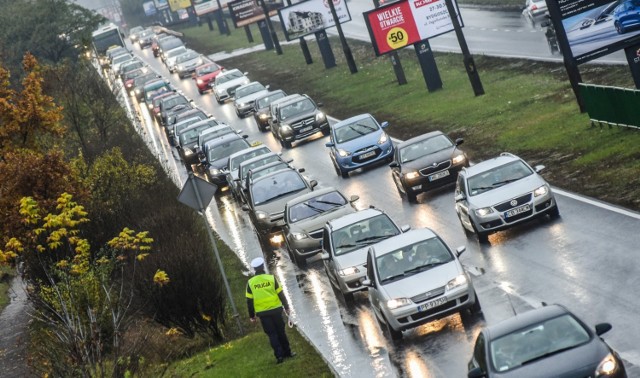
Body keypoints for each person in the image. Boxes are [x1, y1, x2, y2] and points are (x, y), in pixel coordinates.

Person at [246, 257, 295, 364]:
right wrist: (286, 307)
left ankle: (279, 356)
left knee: (272, 334)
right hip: (276, 310)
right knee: (281, 331)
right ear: (263, 267)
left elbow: (249, 301)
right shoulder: (271, 278)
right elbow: (280, 294)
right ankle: (288, 352)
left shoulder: (250, 283)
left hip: (263, 314)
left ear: (255, 269)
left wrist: (252, 316)